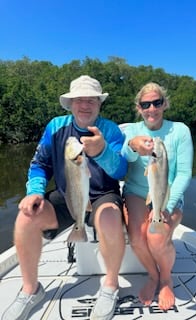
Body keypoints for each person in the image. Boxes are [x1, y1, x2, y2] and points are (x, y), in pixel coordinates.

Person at [2, 75, 127, 320]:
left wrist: (101, 151)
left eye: (91, 100)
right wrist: (35, 193)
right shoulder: (56, 127)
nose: (85, 105)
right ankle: (31, 289)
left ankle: (111, 286)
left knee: (110, 219)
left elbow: (121, 170)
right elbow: (39, 164)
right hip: (67, 194)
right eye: (79, 99)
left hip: (103, 194)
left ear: (99, 104)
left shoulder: (110, 130)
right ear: (70, 104)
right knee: (26, 218)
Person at [121, 82, 193, 311]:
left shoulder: (180, 130)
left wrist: (166, 205)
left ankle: (166, 279)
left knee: (156, 237)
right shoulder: (130, 130)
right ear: (139, 108)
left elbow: (184, 173)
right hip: (136, 192)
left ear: (164, 104)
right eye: (146, 104)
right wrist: (133, 146)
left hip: (166, 193)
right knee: (137, 237)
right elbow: (125, 161)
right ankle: (153, 275)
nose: (151, 108)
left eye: (157, 102)